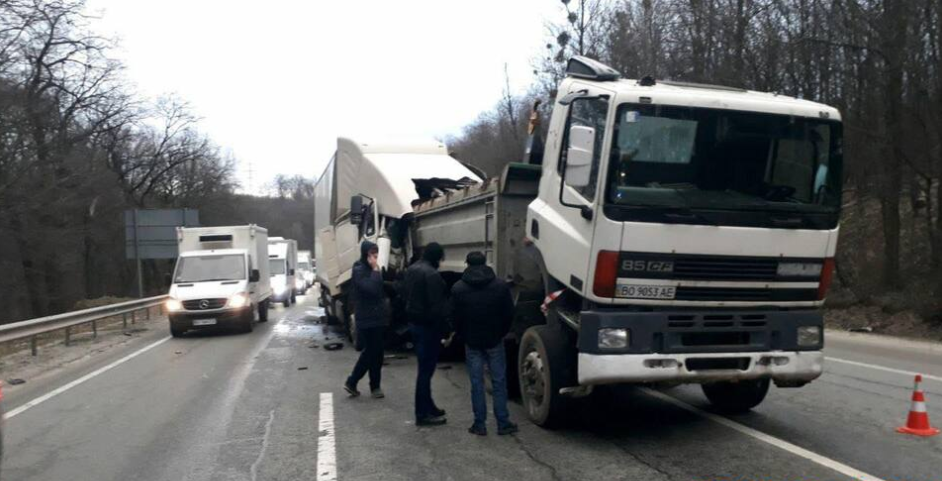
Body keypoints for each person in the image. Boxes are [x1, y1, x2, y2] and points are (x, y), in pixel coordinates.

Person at [451, 251, 518, 436]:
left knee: (476, 383)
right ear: (485, 263)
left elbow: (455, 318)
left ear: (467, 264)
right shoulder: (500, 286)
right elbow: (509, 313)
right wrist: (500, 332)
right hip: (494, 340)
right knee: (499, 381)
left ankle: (479, 424)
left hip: (472, 342)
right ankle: (503, 423)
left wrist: (463, 335)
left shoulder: (458, 288)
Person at [404, 242, 449, 426]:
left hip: (415, 323)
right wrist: (446, 330)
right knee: (425, 372)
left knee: (425, 370)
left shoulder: (412, 269)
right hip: (428, 327)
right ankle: (422, 414)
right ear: (436, 257)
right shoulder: (431, 275)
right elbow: (437, 307)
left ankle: (429, 406)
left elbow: (403, 293)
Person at [344, 241, 388, 399]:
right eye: (371, 254)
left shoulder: (370, 270)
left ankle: (374, 385)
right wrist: (376, 270)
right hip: (367, 319)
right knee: (371, 352)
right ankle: (353, 381)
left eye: (376, 254)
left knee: (377, 353)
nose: (374, 258)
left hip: (377, 318)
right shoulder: (359, 270)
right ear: (365, 254)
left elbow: (381, 288)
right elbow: (372, 289)